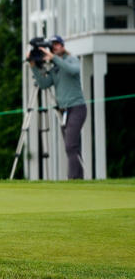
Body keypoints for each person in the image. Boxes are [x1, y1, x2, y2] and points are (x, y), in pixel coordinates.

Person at [28, 35, 87, 179]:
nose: (54, 47)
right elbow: (43, 84)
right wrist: (34, 66)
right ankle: (79, 179)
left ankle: (73, 179)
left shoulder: (71, 59)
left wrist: (53, 58)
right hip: (64, 111)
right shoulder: (55, 68)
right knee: (72, 147)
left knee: (70, 145)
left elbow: (73, 70)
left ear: (62, 45)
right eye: (52, 45)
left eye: (57, 44)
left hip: (77, 108)